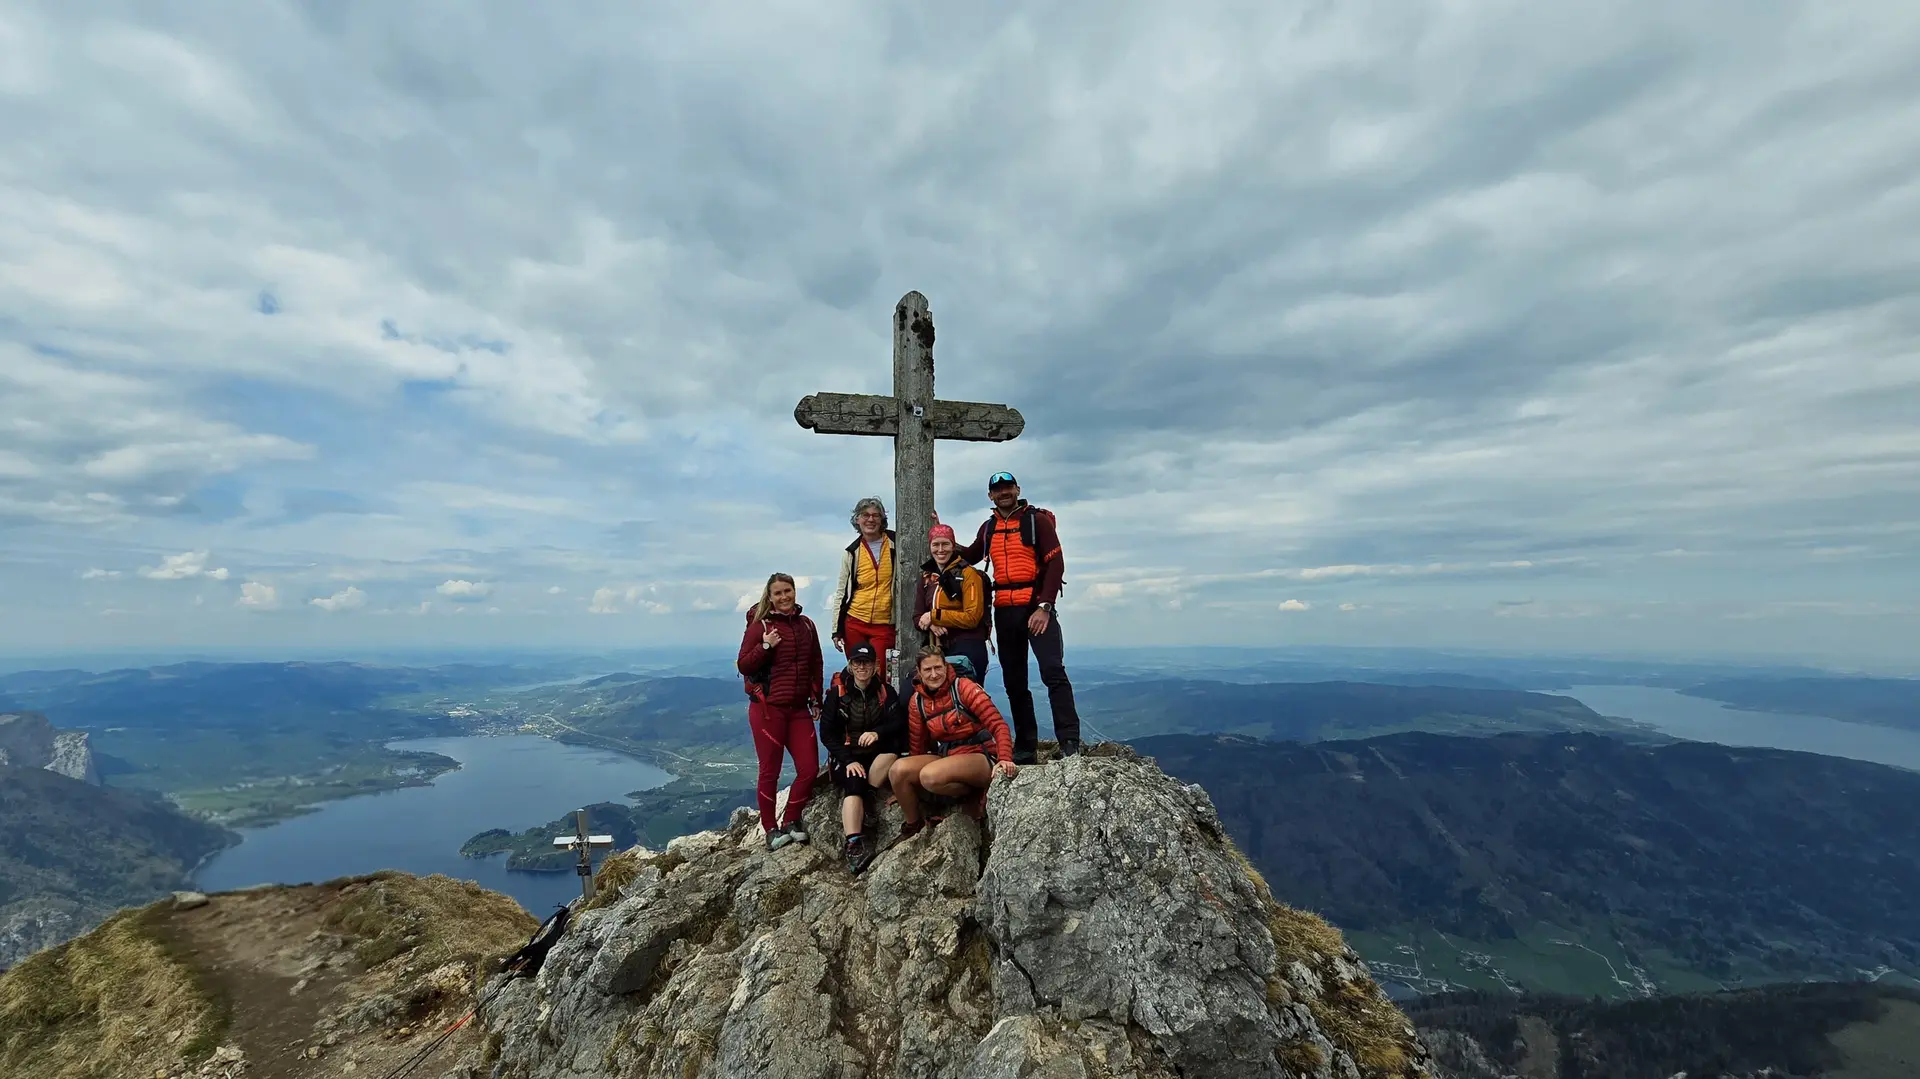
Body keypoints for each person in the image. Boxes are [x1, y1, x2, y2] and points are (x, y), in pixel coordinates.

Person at [955, 471, 1082, 764]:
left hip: (1036, 606)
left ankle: (1070, 740)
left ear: (1017, 489)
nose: (1004, 493)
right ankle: (1026, 745)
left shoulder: (1037, 521)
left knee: (1052, 672)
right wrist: (941, 534)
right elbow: (971, 555)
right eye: (997, 490)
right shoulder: (988, 528)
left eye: (1008, 488)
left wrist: (1045, 606)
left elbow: (1056, 563)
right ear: (990, 496)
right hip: (1005, 608)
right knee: (1014, 680)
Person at [889, 647, 1017, 841]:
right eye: (927, 670)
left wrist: (1005, 758)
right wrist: (905, 787)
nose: (934, 674)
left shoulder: (964, 688)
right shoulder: (917, 702)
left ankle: (972, 796)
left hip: (981, 756)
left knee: (930, 776)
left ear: (946, 666)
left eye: (938, 667)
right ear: (919, 672)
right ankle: (914, 824)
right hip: (948, 757)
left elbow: (998, 725)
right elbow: (918, 745)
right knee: (897, 770)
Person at [735, 572, 824, 850]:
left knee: (809, 769)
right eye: (778, 593)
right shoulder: (760, 626)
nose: (784, 597)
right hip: (767, 710)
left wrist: (816, 698)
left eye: (788, 591)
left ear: (795, 592)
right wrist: (765, 645)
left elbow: (816, 663)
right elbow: (744, 665)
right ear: (770, 596)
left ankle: (792, 820)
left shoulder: (806, 625)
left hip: (798, 709)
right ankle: (771, 829)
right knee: (769, 772)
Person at [818, 642, 905, 873]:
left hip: (874, 754)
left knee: (894, 749)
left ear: (876, 665)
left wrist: (877, 733)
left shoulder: (885, 692)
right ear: (850, 665)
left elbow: (898, 723)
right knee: (854, 781)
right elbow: (826, 734)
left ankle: (869, 796)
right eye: (857, 662)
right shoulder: (838, 694)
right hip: (847, 756)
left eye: (867, 662)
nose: (862, 667)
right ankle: (854, 844)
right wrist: (848, 760)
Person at [914, 518, 992, 686]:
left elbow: (972, 617)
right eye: (935, 545)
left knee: (968, 700)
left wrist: (934, 616)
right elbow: (917, 616)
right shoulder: (927, 577)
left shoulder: (969, 574)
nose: (940, 550)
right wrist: (931, 622)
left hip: (969, 645)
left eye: (945, 544)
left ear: (953, 546)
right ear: (929, 547)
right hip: (939, 649)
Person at [830, 496, 898, 660]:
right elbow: (842, 592)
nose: (870, 519)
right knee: (859, 671)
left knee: (881, 672)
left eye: (876, 515)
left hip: (884, 623)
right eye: (865, 515)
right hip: (855, 621)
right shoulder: (852, 552)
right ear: (857, 520)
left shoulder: (896, 543)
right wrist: (836, 630)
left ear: (882, 519)